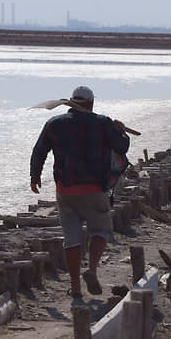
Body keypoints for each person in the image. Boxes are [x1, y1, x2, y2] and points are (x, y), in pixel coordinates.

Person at [30, 86, 130, 303]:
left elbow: (39, 150)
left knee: (71, 238)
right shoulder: (103, 123)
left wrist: (34, 176)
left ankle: (75, 286)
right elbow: (122, 146)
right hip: (94, 189)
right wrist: (120, 130)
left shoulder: (54, 124)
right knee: (101, 231)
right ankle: (92, 270)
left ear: (71, 103)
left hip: (65, 190)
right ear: (91, 104)